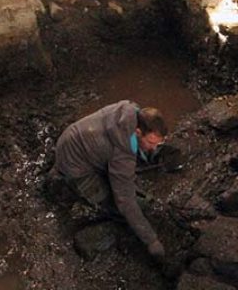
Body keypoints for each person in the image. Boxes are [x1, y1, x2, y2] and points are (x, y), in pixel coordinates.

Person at [49, 100, 168, 259]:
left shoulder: (128, 111)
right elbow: (125, 202)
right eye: (151, 143)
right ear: (138, 132)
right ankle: (61, 186)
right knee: (119, 208)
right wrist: (151, 241)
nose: (154, 147)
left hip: (70, 139)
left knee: (124, 182)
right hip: (75, 167)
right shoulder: (122, 154)